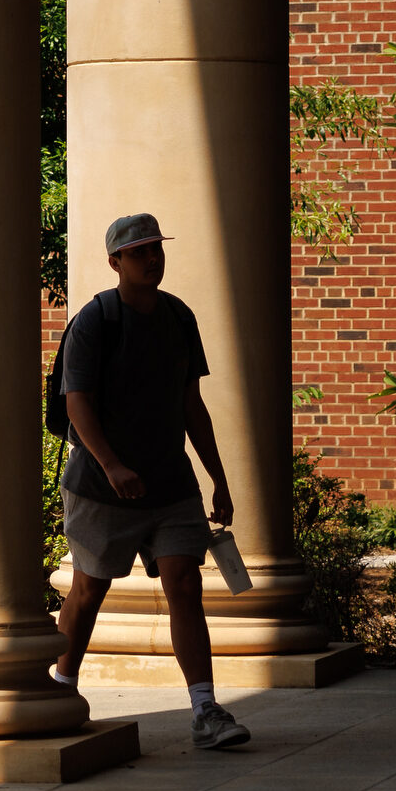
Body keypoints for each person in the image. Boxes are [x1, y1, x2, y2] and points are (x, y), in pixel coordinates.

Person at [52, 213, 252, 750]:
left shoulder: (179, 318)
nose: (151, 259)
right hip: (101, 485)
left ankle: (205, 710)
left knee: (185, 584)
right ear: (115, 261)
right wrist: (113, 466)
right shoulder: (96, 321)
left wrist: (219, 478)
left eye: (156, 249)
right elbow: (77, 403)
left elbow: (192, 405)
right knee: (89, 588)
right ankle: (60, 690)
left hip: (170, 483)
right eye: (138, 252)